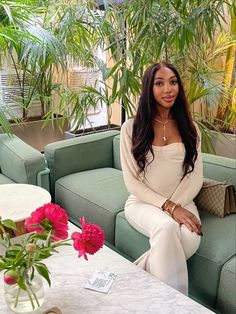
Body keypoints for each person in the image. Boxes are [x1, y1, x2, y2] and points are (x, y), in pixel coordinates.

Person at [120, 61, 203, 295]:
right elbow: (132, 182)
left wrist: (177, 206)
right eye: (160, 83)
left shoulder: (190, 128)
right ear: (149, 88)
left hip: (184, 202)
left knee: (190, 237)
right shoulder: (131, 128)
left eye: (173, 82)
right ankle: (174, 307)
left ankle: (133, 280)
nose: (168, 89)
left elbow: (195, 177)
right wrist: (169, 208)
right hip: (142, 202)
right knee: (166, 228)